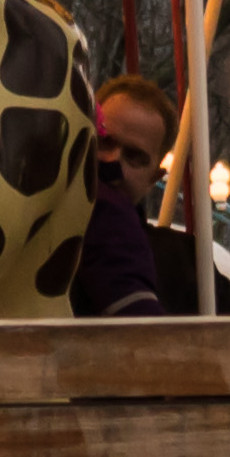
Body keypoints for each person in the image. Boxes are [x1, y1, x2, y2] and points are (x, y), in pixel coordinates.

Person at [72, 73, 198, 316]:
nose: (112, 161)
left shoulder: (187, 263)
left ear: (154, 178)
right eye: (104, 143)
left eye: (134, 156)